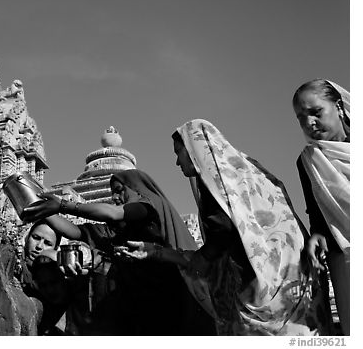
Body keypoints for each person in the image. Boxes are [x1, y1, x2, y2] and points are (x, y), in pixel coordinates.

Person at [124, 119, 331, 335]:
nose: (177, 162)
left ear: (195, 148)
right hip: (294, 282)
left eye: (179, 152)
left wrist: (177, 257)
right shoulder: (249, 174)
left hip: (261, 303)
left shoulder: (219, 193)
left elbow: (222, 237)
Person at [23, 168, 216, 335]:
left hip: (163, 301)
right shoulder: (115, 231)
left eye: (119, 190)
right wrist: (40, 209)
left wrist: (64, 205)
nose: (115, 197)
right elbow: (78, 232)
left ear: (138, 189)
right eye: (112, 193)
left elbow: (114, 212)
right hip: (132, 310)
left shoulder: (148, 207)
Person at [292, 79, 350, 335]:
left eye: (316, 113)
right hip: (345, 260)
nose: (309, 123)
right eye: (301, 117)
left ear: (338, 106)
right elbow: (317, 214)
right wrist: (316, 235)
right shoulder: (308, 161)